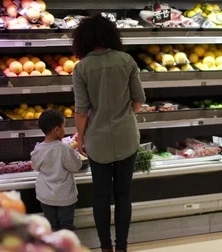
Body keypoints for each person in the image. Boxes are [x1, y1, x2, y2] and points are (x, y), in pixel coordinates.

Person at [71, 14, 146, 252]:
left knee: (101, 195)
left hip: (97, 140)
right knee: (123, 194)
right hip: (127, 137)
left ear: (83, 40)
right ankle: (121, 246)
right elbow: (138, 101)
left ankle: (105, 248)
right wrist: (125, 115)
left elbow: (81, 111)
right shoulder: (126, 60)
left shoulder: (81, 68)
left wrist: (80, 138)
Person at [31, 109, 83, 231]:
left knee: (51, 227)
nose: (64, 131)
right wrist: (76, 155)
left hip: (45, 196)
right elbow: (75, 166)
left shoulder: (37, 149)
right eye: (63, 127)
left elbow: (36, 166)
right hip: (64, 196)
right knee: (66, 227)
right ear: (56, 129)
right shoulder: (64, 148)